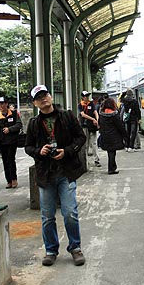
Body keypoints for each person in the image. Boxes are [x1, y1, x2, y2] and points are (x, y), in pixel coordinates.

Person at [25, 85, 86, 267]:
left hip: (66, 172)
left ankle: (75, 248)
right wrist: (39, 151)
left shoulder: (67, 116)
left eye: (45, 95)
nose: (43, 99)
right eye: (39, 98)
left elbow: (80, 138)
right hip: (46, 175)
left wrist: (67, 151)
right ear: (35, 103)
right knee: (47, 216)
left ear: (51, 97)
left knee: (70, 213)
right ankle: (51, 250)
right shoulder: (34, 123)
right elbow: (28, 147)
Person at [0, 95, 22, 188]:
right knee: (5, 161)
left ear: (6, 104)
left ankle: (14, 179)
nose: (1, 106)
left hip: (12, 142)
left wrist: (9, 129)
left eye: (2, 104)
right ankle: (8, 181)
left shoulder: (14, 114)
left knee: (11, 159)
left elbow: (19, 125)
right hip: (2, 143)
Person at [98, 98, 127, 174]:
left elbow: (99, 124)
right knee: (112, 152)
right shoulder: (114, 114)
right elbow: (120, 126)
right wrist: (125, 135)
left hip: (105, 136)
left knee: (110, 152)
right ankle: (111, 169)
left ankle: (112, 167)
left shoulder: (101, 114)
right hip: (114, 136)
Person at [78, 91, 101, 167]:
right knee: (86, 144)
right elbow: (83, 115)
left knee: (94, 143)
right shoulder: (80, 105)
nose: (87, 97)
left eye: (87, 96)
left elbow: (95, 112)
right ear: (82, 97)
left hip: (92, 126)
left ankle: (97, 160)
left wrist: (97, 120)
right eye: (85, 96)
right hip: (84, 126)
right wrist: (93, 119)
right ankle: (85, 161)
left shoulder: (91, 104)